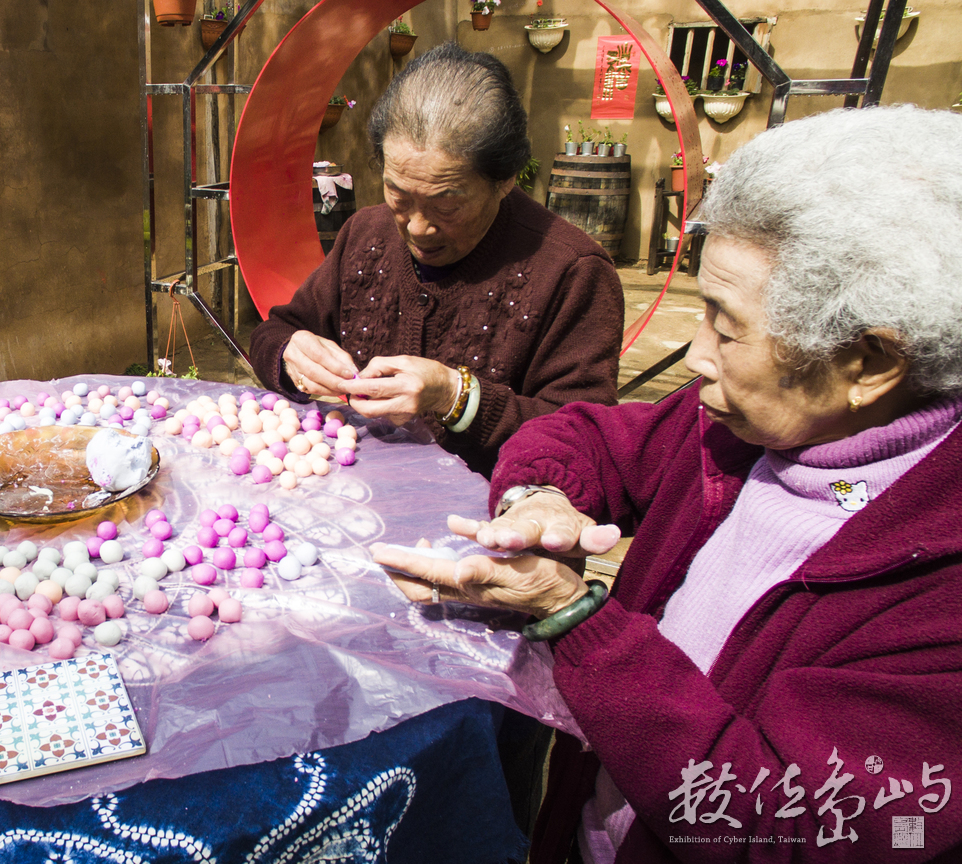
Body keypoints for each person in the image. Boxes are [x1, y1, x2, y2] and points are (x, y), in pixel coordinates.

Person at [374, 104, 962, 862]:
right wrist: (538, 499)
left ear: (870, 363)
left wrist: (572, 619)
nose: (696, 355)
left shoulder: (937, 589)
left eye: (726, 324)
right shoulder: (754, 424)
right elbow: (585, 436)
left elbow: (784, 829)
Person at [249, 42, 623, 476]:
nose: (417, 227)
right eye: (398, 196)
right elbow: (276, 331)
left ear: (504, 180)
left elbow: (586, 443)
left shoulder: (572, 272)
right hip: (355, 496)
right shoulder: (365, 234)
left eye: (446, 205)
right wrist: (289, 355)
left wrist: (455, 396)